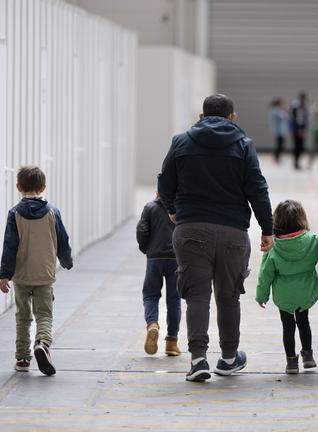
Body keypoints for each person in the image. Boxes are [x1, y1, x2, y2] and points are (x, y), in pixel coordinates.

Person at [158, 94, 274, 382]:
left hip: (190, 229)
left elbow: (164, 182)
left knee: (196, 296)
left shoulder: (181, 141)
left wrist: (173, 210)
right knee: (228, 297)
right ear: (232, 117)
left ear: (201, 116)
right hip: (233, 232)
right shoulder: (243, 145)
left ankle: (198, 360)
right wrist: (267, 229)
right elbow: (257, 189)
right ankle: (229, 358)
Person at [0, 165, 73, 376]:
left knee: (23, 316)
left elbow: (9, 246)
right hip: (45, 273)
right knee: (44, 315)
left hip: (22, 276)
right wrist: (66, 261)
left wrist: (5, 275)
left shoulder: (14, 214)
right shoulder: (52, 212)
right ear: (43, 187)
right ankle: (42, 343)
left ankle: (22, 358)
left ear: (18, 187)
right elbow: (62, 240)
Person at [255, 200, 318, 374]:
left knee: (287, 327)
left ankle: (291, 361)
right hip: (305, 292)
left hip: (284, 295)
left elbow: (265, 274)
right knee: (304, 322)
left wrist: (262, 296)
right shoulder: (313, 241)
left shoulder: (273, 246)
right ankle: (308, 355)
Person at [136, 194, 181, 357]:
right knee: (174, 300)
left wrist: (147, 249)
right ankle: (171, 342)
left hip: (154, 258)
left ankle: (152, 324)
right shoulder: (180, 208)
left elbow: (142, 231)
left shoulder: (150, 208)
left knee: (150, 295)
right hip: (176, 258)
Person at [289, 92, 309, 170]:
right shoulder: (296, 107)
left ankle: (297, 161)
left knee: (301, 147)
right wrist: (298, 129)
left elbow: (305, 119)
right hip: (296, 129)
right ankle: (296, 162)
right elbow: (294, 119)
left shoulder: (304, 107)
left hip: (302, 130)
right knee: (297, 146)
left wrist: (304, 129)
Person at [268, 98, 289, 163]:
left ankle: (277, 156)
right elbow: (283, 117)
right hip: (278, 131)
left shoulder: (279, 111)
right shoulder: (275, 111)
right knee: (279, 145)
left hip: (281, 131)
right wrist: (284, 110)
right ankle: (276, 157)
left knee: (281, 145)